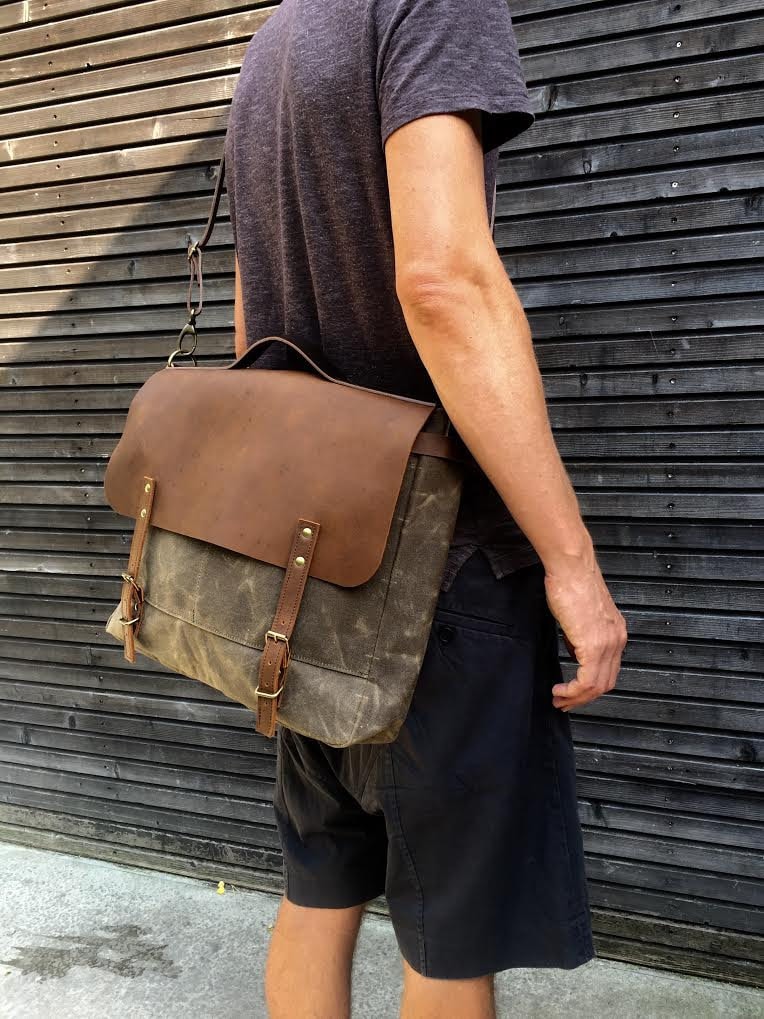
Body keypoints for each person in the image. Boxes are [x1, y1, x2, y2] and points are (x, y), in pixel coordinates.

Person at [225, 1, 628, 1016]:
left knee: (318, 888)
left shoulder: (274, 39)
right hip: (438, 572)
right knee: (445, 941)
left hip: (308, 555)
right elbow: (441, 278)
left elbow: (251, 320)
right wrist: (569, 561)